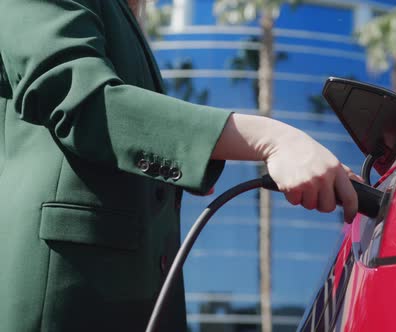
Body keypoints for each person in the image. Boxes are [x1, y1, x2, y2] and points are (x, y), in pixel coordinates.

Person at [0, 0, 359, 331]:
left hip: (132, 292)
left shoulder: (123, 15)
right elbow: (82, 99)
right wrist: (272, 138)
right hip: (64, 291)